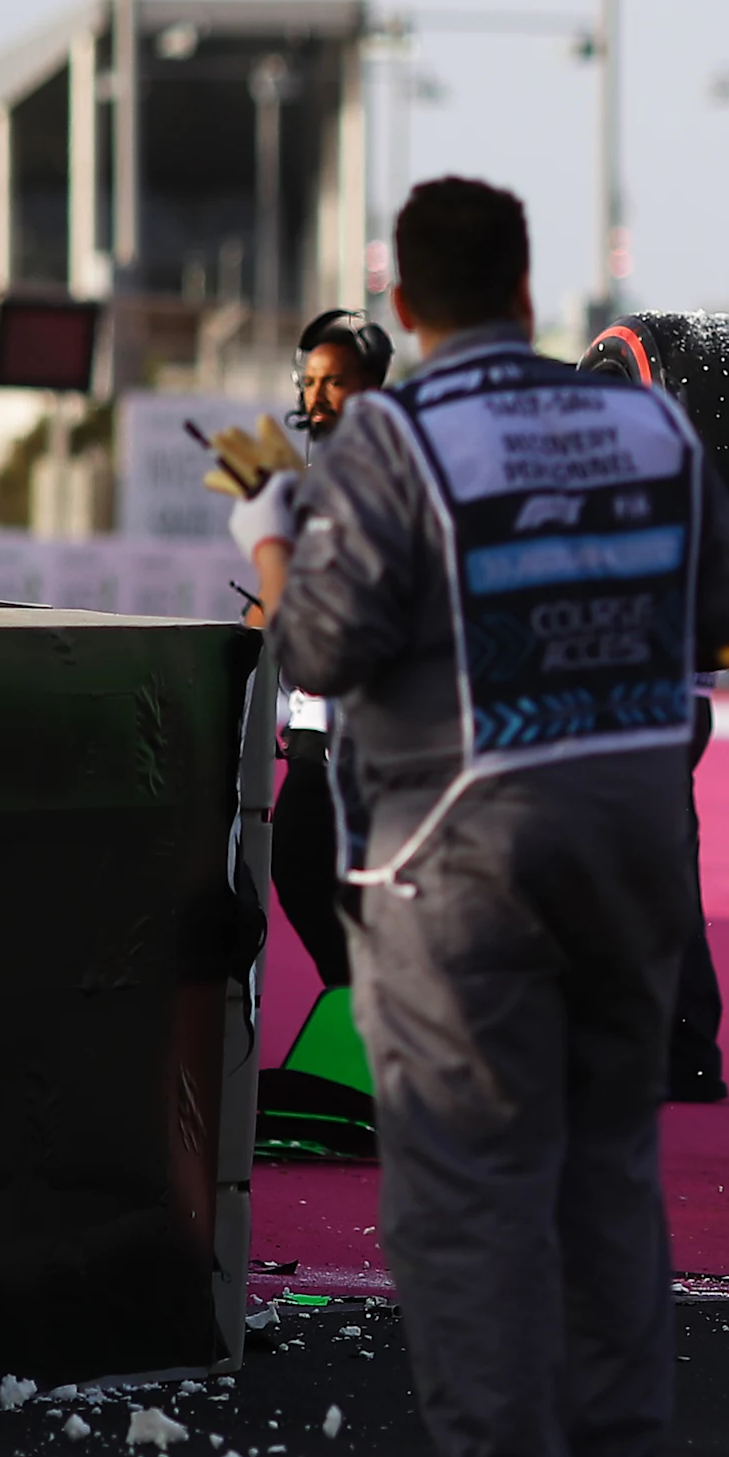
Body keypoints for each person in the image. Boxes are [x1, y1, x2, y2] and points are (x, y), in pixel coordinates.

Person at [240, 176, 729, 1457]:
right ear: (531, 288)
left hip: (459, 861)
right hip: (633, 842)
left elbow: (324, 654)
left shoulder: (395, 440)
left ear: (405, 308)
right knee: (607, 1174)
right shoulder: (649, 420)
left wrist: (270, 540)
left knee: (466, 1184)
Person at [263, 308, 395, 997]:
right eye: (309, 380)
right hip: (320, 727)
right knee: (305, 865)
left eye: (334, 382)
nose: (315, 396)